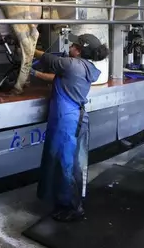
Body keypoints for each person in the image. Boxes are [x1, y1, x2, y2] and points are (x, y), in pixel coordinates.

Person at [31, 33, 109, 222]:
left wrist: (26, 49)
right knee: (71, 162)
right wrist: (33, 74)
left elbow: (47, 58)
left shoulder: (71, 64)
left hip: (67, 120)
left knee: (65, 163)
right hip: (76, 117)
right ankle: (65, 203)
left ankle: (72, 208)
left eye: (73, 45)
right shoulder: (84, 67)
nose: (70, 46)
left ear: (79, 50)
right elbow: (57, 78)